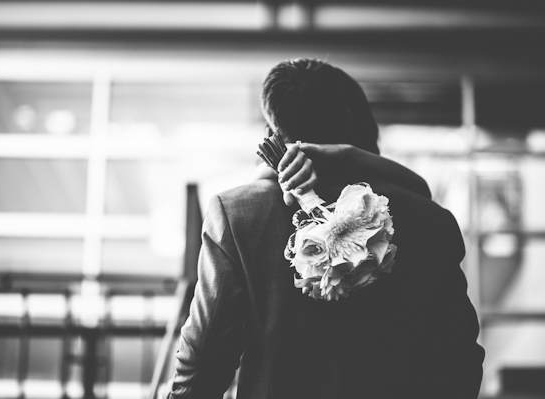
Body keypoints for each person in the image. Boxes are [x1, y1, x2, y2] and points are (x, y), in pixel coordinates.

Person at [166, 58, 484, 399]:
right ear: (355, 122)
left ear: (274, 131)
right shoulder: (431, 219)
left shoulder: (236, 214)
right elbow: (459, 361)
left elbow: (204, 363)